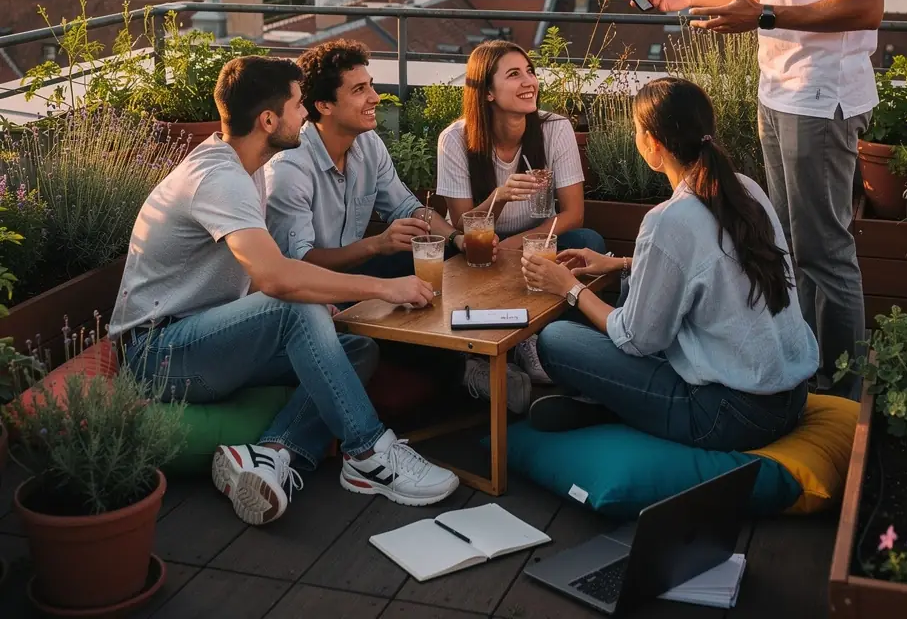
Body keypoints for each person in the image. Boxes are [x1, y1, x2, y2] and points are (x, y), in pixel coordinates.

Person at [109, 56, 460, 527]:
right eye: (298, 106)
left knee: (356, 348)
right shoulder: (220, 178)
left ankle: (271, 455)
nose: (304, 118)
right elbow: (277, 279)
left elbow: (256, 277)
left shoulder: (248, 166)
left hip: (206, 341)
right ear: (269, 120)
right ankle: (368, 453)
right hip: (159, 353)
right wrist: (382, 286)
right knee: (297, 304)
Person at [629, 0, 884, 399]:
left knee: (826, 254)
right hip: (781, 91)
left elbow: (865, 6)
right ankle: (804, 367)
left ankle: (840, 394)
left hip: (821, 99)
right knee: (791, 244)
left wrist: (764, 17)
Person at [522, 78, 818, 450]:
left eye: (635, 130)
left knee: (555, 339)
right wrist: (622, 264)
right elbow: (719, 270)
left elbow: (636, 339)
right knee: (632, 286)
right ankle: (614, 405)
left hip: (730, 415)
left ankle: (615, 406)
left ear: (653, 145)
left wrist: (569, 287)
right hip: (790, 397)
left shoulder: (669, 219)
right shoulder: (745, 188)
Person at [436, 39, 606, 401]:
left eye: (530, 71)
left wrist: (519, 247)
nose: (529, 81)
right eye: (514, 74)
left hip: (533, 242)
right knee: (460, 261)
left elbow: (573, 213)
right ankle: (479, 360)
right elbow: (465, 230)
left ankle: (549, 345)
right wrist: (499, 197)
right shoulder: (455, 140)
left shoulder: (553, 128)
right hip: (479, 252)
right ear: (487, 93)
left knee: (589, 242)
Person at [265, 39, 475, 280]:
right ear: (324, 105)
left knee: (444, 256)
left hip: (356, 273)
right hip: (311, 289)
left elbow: (405, 207)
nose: (375, 97)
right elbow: (298, 262)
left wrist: (456, 239)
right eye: (359, 90)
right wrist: (376, 245)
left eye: (370, 86)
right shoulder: (289, 170)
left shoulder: (368, 143)